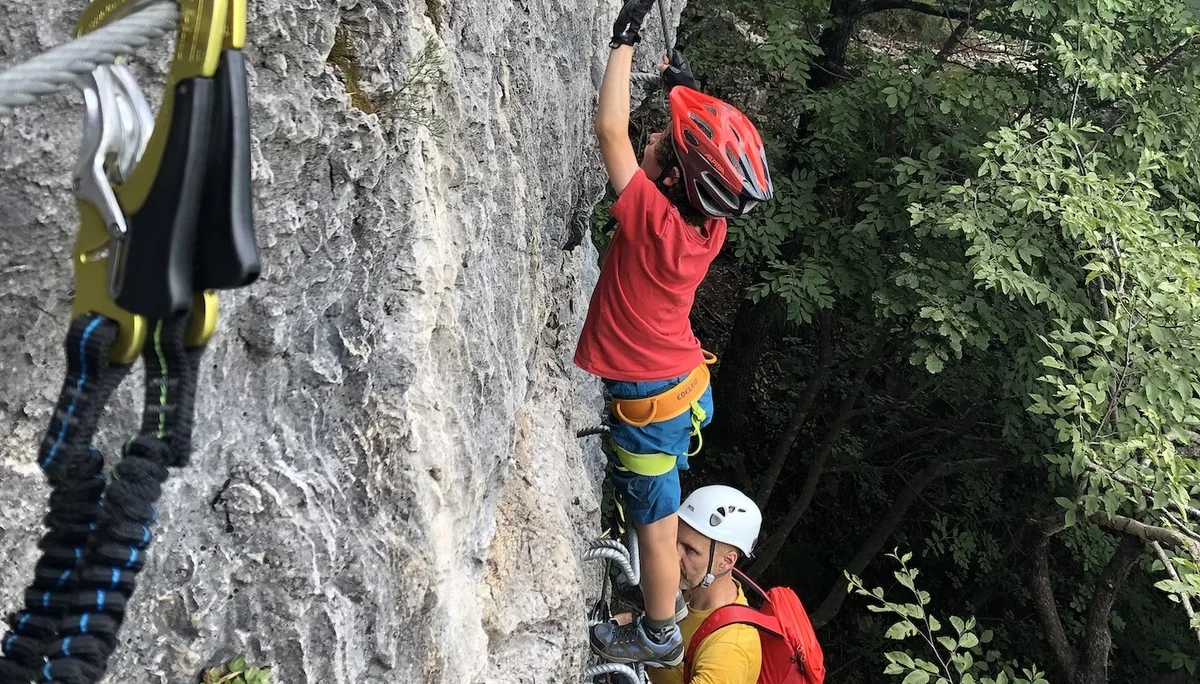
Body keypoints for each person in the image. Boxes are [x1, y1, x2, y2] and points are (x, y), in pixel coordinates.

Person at [579, 0, 774, 666]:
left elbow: (609, 131)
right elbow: (678, 157)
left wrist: (624, 36)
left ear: (667, 178)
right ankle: (654, 611)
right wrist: (680, 90)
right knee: (656, 517)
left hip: (651, 404)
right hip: (675, 385)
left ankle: (658, 632)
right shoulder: (704, 225)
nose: (649, 138)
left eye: (658, 143)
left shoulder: (654, 225)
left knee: (657, 529)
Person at [651, 485, 764, 684]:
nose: (674, 556)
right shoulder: (690, 587)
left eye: (690, 550)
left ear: (726, 562)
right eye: (676, 541)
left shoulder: (729, 648)